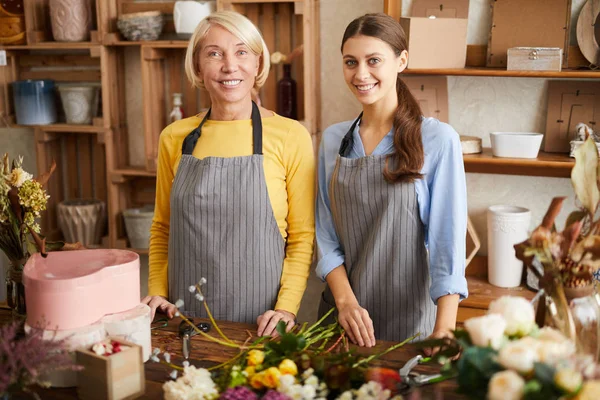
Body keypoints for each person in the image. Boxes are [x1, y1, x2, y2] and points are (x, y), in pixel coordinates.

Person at [142, 11, 315, 338]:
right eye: (214, 54)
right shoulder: (174, 137)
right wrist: (157, 292)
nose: (229, 66)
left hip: (262, 324)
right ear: (197, 66)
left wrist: (285, 308)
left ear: (258, 63)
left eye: (241, 52)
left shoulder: (291, 136)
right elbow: (162, 227)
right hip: (184, 320)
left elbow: (302, 236)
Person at [316, 13, 468, 348]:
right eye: (350, 62)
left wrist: (444, 330)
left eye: (374, 61)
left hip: (409, 322)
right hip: (341, 317)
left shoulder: (438, 139)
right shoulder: (332, 140)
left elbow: (448, 243)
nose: (361, 74)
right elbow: (325, 235)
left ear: (401, 61)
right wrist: (346, 303)